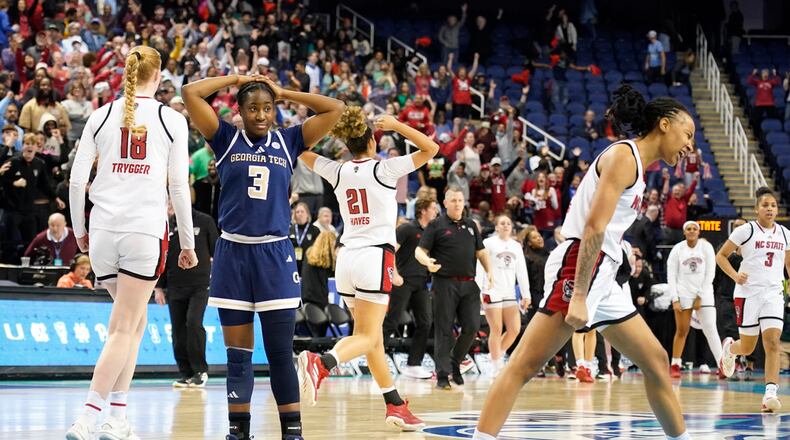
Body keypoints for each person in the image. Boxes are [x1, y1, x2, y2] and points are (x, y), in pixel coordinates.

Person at [473, 84, 695, 440]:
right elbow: (593, 227)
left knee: (655, 361)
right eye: (688, 134)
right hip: (583, 265)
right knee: (523, 365)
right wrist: (578, 294)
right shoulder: (625, 157)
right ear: (665, 124)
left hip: (604, 273)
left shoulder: (637, 166)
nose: (689, 145)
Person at [182, 71, 344, 440]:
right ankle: (238, 431)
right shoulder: (224, 138)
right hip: (232, 254)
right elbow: (191, 93)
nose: (260, 115)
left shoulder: (289, 140)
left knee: (279, 354)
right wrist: (237, 78)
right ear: (238, 111)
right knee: (238, 356)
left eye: (267, 108)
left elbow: (335, 109)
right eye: (252, 108)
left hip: (274, 255)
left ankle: (292, 432)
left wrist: (283, 91)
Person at [66, 46, 197, 440]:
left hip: (102, 230)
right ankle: (88, 416)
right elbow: (178, 186)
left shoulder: (100, 114)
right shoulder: (172, 119)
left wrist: (79, 232)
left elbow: (76, 182)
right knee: (123, 328)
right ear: (158, 76)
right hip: (143, 230)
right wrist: (187, 242)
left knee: (134, 324)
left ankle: (117, 418)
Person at [296, 108, 438, 431]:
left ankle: (395, 404)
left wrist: (321, 129)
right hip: (375, 258)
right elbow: (432, 148)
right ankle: (321, 363)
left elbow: (301, 152)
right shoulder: (385, 169)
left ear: (347, 143)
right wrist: (397, 125)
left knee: (372, 340)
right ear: (373, 142)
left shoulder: (338, 170)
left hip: (346, 260)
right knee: (366, 335)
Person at [416, 186, 494, 389]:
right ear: (445, 203)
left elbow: (481, 252)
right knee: (443, 329)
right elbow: (419, 251)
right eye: (454, 200)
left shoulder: (470, 225)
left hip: (469, 283)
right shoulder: (436, 225)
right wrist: (427, 262)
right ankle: (442, 375)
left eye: (460, 200)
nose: (458, 203)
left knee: (472, 328)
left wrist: (490, 272)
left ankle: (454, 360)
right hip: (444, 283)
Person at [717, 187, 787, 412]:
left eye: (773, 205)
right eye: (765, 205)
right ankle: (730, 349)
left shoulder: (785, 233)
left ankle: (770, 395)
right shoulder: (746, 231)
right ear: (756, 209)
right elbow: (721, 256)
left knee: (773, 342)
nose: (770, 209)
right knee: (747, 348)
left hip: (773, 293)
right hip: (747, 294)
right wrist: (736, 275)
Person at [154, 203, 219, 389]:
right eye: (167, 201)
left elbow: (217, 250)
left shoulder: (205, 221)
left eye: (173, 200)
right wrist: (159, 287)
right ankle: (186, 372)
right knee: (178, 330)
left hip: (199, 284)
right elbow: (164, 257)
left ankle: (200, 371)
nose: (169, 205)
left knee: (193, 322)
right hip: (174, 285)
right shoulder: (168, 225)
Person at [383, 197, 438, 380]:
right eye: (432, 208)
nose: (436, 211)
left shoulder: (431, 232)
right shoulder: (407, 228)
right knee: (392, 321)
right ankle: (376, 359)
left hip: (422, 282)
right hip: (403, 281)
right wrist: (395, 275)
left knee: (425, 322)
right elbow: (390, 250)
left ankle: (414, 364)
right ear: (422, 210)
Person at [666, 221, 722, 379]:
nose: (691, 231)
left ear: (699, 232)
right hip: (683, 293)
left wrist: (699, 296)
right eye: (688, 229)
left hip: (704, 293)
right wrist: (674, 298)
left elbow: (710, 273)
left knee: (710, 328)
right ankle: (675, 364)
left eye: (694, 229)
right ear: (684, 232)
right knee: (682, 330)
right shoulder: (677, 249)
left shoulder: (706, 247)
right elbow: (671, 275)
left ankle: (722, 365)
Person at [476, 215, 529, 376]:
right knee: (496, 328)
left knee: (514, 329)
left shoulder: (516, 246)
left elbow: (521, 270)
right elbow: (480, 266)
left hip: (509, 292)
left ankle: (497, 355)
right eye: (502, 223)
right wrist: (479, 289)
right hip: (491, 290)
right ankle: (495, 363)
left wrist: (526, 294)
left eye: (508, 223)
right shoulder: (488, 243)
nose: (506, 225)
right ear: (496, 226)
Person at [289, 202, 321, 275]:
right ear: (294, 215)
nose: (300, 214)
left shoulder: (315, 230)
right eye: (297, 212)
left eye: (302, 211)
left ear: (307, 214)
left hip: (309, 265)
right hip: (293, 264)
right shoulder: (290, 230)